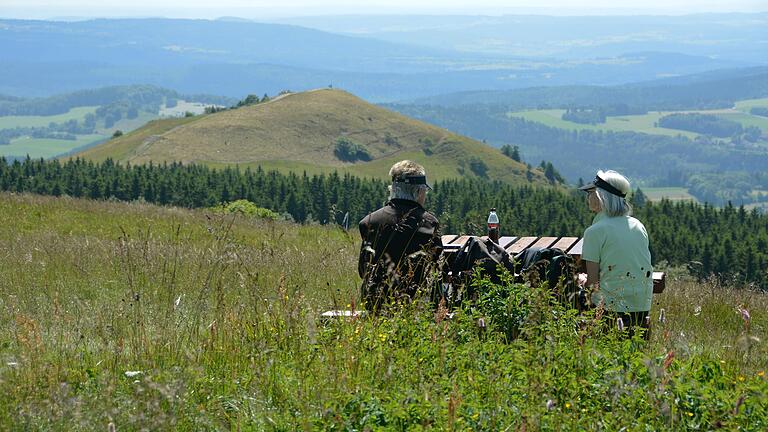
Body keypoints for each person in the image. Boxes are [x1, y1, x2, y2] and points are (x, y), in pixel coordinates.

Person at [358, 160, 442, 312]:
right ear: (418, 192)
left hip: (374, 303)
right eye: (424, 191)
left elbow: (363, 270)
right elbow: (436, 269)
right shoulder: (429, 224)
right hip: (415, 303)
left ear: (393, 189)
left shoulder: (369, 221)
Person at [579, 170, 653, 338]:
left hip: (609, 309)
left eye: (590, 193)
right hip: (641, 305)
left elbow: (592, 284)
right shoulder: (638, 226)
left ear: (600, 197)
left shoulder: (594, 232)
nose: (588, 197)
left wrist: (581, 281)